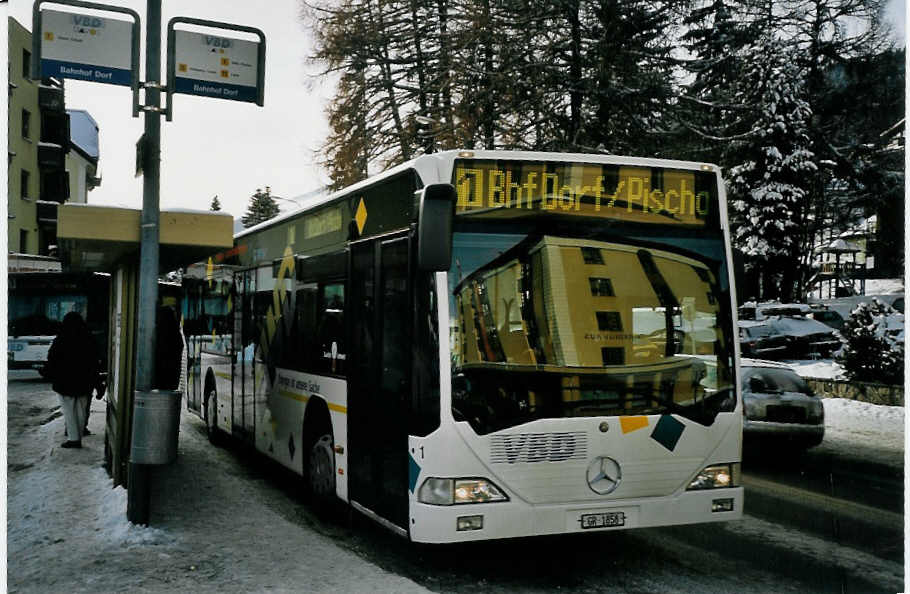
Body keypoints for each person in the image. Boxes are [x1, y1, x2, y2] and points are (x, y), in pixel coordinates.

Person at [44, 312, 101, 449]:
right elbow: (95, 361)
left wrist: (52, 374)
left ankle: (73, 439)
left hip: (65, 382)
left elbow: (52, 359)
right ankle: (78, 436)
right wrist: (97, 382)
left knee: (69, 411)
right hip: (84, 381)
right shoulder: (89, 338)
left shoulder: (61, 339)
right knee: (81, 410)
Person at [155, 306, 184, 391]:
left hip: (161, 374)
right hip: (173, 374)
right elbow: (180, 346)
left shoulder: (160, 331)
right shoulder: (175, 331)